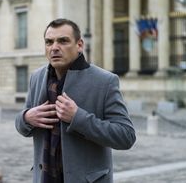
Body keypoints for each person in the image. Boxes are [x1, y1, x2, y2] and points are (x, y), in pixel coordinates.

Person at [15, 18, 136, 183]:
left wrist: (78, 118)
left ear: (79, 45)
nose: (54, 47)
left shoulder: (105, 81)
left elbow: (126, 136)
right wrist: (26, 117)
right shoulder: (37, 77)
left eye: (63, 41)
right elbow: (22, 126)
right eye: (49, 42)